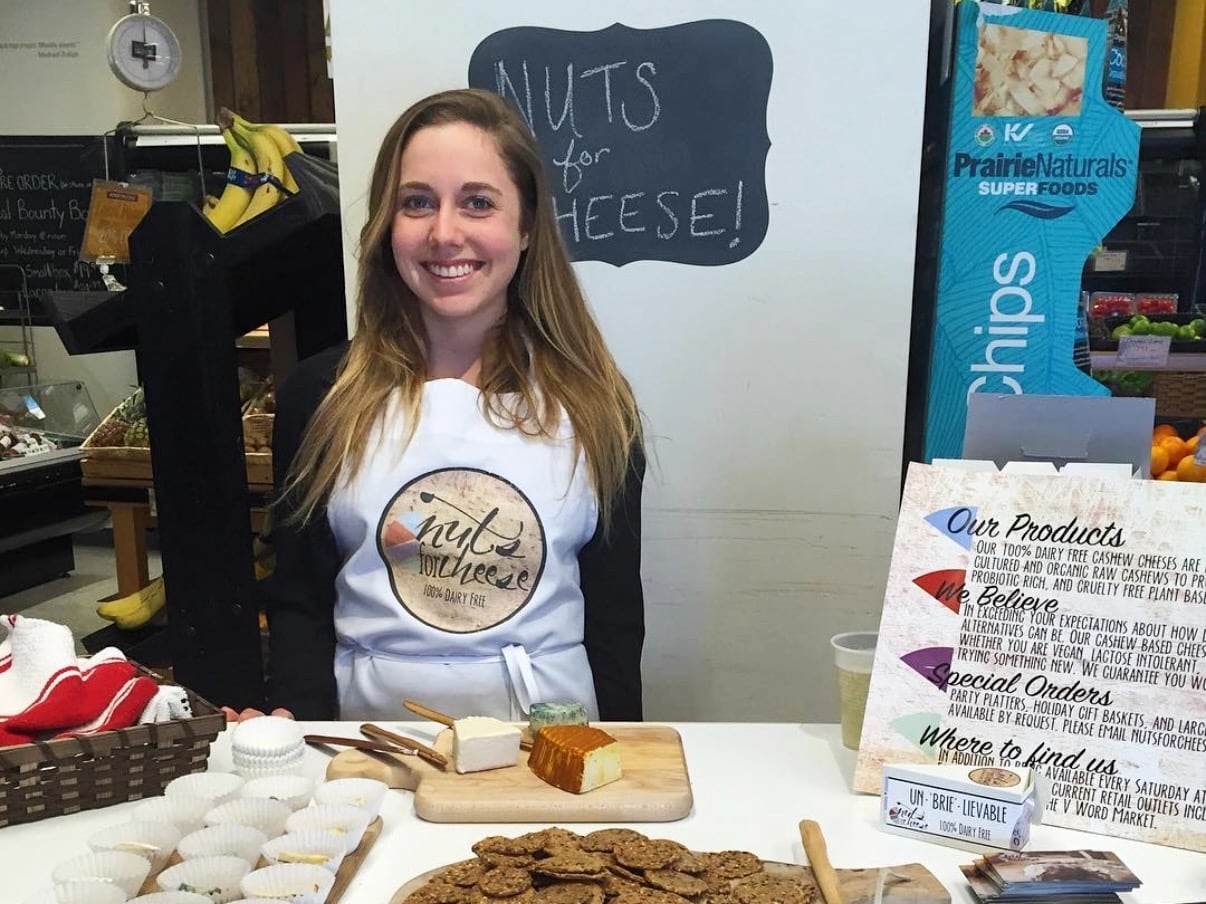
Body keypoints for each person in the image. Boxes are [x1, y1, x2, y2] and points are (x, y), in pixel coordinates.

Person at [228, 88, 645, 724]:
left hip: (548, 750)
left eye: (478, 203)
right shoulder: (322, 395)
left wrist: (617, 754)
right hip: (369, 753)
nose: (444, 233)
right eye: (417, 203)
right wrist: (295, 728)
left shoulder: (594, 405)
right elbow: (299, 600)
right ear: (387, 226)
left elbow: (616, 621)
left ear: (527, 226)